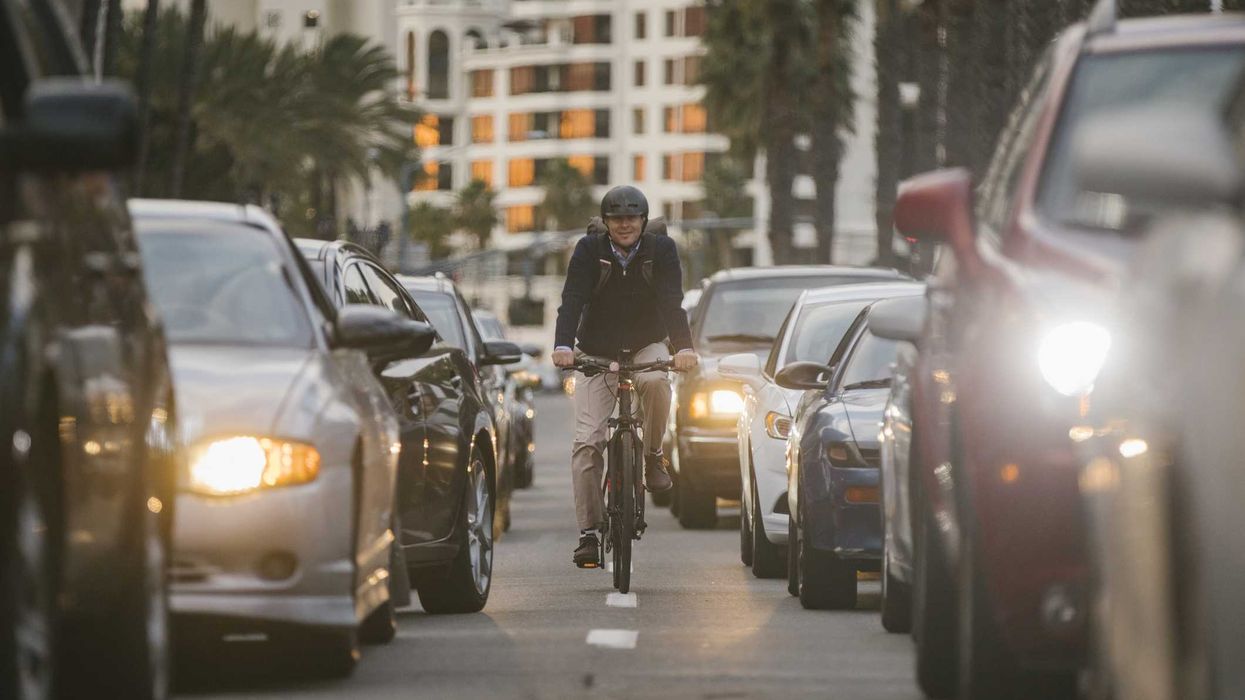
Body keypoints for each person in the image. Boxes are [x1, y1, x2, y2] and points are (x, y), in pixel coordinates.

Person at [552, 186, 700, 568]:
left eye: (632, 218)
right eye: (617, 219)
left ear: (644, 222)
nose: (625, 225)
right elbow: (572, 299)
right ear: (605, 223)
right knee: (587, 441)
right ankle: (588, 533)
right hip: (596, 350)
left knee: (654, 382)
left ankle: (652, 456)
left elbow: (672, 301)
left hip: (646, 343)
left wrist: (683, 348)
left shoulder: (661, 251)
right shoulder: (588, 252)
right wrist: (563, 345)